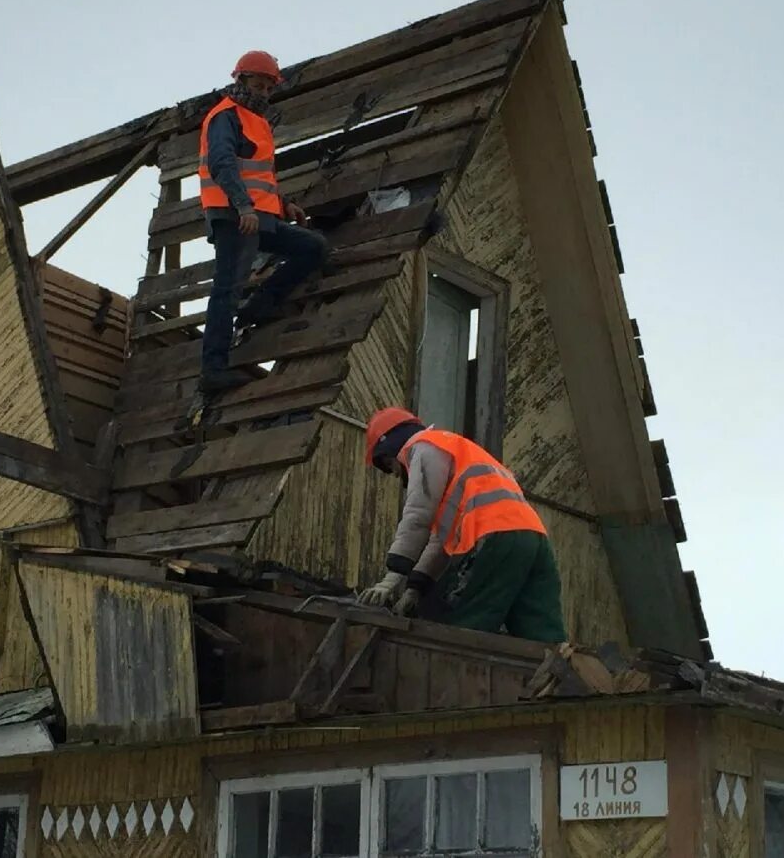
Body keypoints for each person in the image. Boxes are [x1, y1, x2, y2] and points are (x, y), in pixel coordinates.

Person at [357, 407, 568, 644]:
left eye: (389, 465)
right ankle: (565, 678)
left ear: (392, 447)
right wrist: (414, 588)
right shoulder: (459, 456)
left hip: (494, 537)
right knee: (541, 636)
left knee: (460, 628)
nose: (396, 474)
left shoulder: (423, 447)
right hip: (533, 538)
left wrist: (391, 578)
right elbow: (439, 542)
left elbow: (418, 514)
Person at [197, 50, 329, 394]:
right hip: (234, 217)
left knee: (312, 247)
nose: (264, 94)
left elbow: (256, 172)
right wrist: (243, 208)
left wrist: (283, 205)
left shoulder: (256, 120)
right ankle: (213, 369)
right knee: (227, 289)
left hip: (258, 217)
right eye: (259, 85)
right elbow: (222, 164)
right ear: (239, 80)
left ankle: (260, 305)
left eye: (270, 89)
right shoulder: (225, 116)